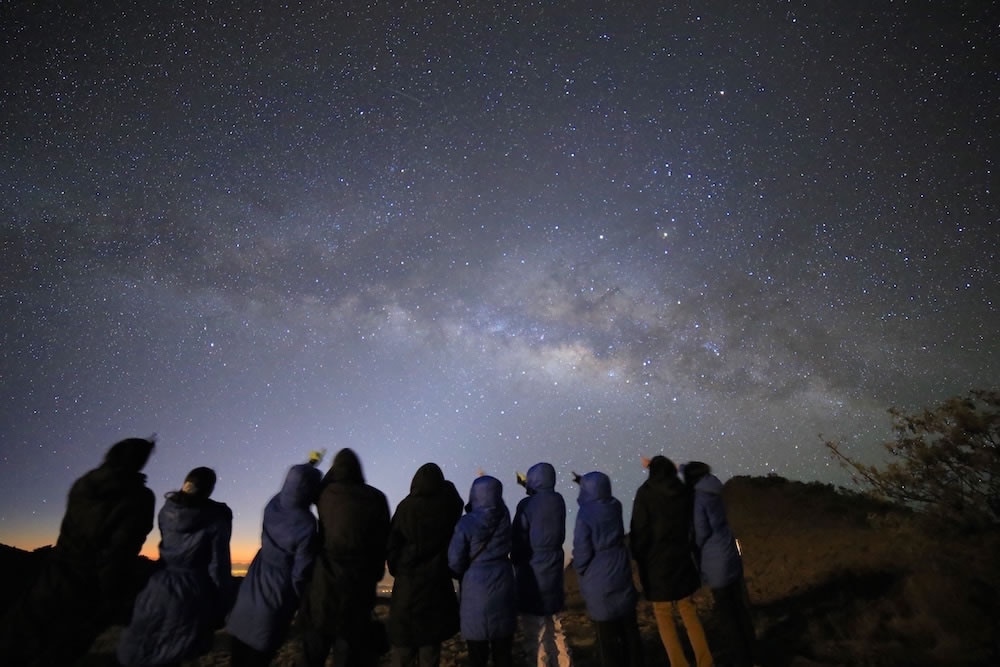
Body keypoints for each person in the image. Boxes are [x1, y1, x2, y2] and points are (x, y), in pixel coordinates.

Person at [0, 437, 157, 667]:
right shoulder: (138, 497)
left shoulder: (84, 483)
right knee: (57, 651)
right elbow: (119, 554)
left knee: (18, 640)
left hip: (53, 576)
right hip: (86, 588)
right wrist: (112, 599)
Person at [118, 466, 234, 667]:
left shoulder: (167, 510)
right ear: (210, 489)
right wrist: (222, 604)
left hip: (157, 587)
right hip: (191, 592)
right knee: (176, 651)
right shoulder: (216, 520)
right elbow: (218, 566)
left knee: (150, 646)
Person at [227, 455, 324, 666]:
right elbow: (301, 571)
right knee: (259, 655)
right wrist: (299, 598)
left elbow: (295, 487)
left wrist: (309, 465)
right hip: (278, 589)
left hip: (255, 577)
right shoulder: (307, 524)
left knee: (239, 654)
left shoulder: (273, 503)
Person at [299, 448, 392, 667]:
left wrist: (314, 464)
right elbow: (382, 542)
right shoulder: (377, 498)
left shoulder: (325, 494)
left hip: (324, 582)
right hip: (359, 585)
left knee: (314, 648)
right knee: (349, 650)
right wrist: (375, 573)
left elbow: (302, 486)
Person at [631, 455, 714, 667]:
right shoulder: (683, 491)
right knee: (688, 610)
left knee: (663, 614)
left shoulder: (645, 493)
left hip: (656, 564)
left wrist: (640, 557)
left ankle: (679, 664)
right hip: (682, 559)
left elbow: (639, 530)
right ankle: (706, 662)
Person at [386, 462, 464, 667]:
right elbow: (456, 503)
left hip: (407, 588)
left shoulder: (405, 507)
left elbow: (392, 544)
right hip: (436, 587)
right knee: (430, 651)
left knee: (402, 651)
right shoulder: (446, 507)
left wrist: (398, 568)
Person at [682, 461, 756, 667]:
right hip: (729, 551)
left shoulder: (698, 500)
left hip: (715, 560)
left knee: (727, 615)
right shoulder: (713, 490)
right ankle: (753, 654)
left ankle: (741, 659)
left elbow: (701, 531)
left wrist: (694, 546)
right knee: (740, 609)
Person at [572, 471, 643, 667]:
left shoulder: (584, 515)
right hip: (620, 567)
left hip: (598, 576)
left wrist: (581, 568)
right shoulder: (615, 506)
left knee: (607, 641)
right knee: (630, 633)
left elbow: (582, 549)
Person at [448, 474, 516, 667]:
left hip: (474, 585)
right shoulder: (504, 518)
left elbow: (454, 560)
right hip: (503, 578)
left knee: (477, 654)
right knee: (503, 653)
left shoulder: (466, 523)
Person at [512, 462, 573, 667]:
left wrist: (516, 560)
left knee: (534, 633)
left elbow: (518, 539)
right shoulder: (558, 500)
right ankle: (565, 663)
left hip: (532, 575)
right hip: (553, 571)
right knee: (555, 628)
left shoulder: (526, 505)